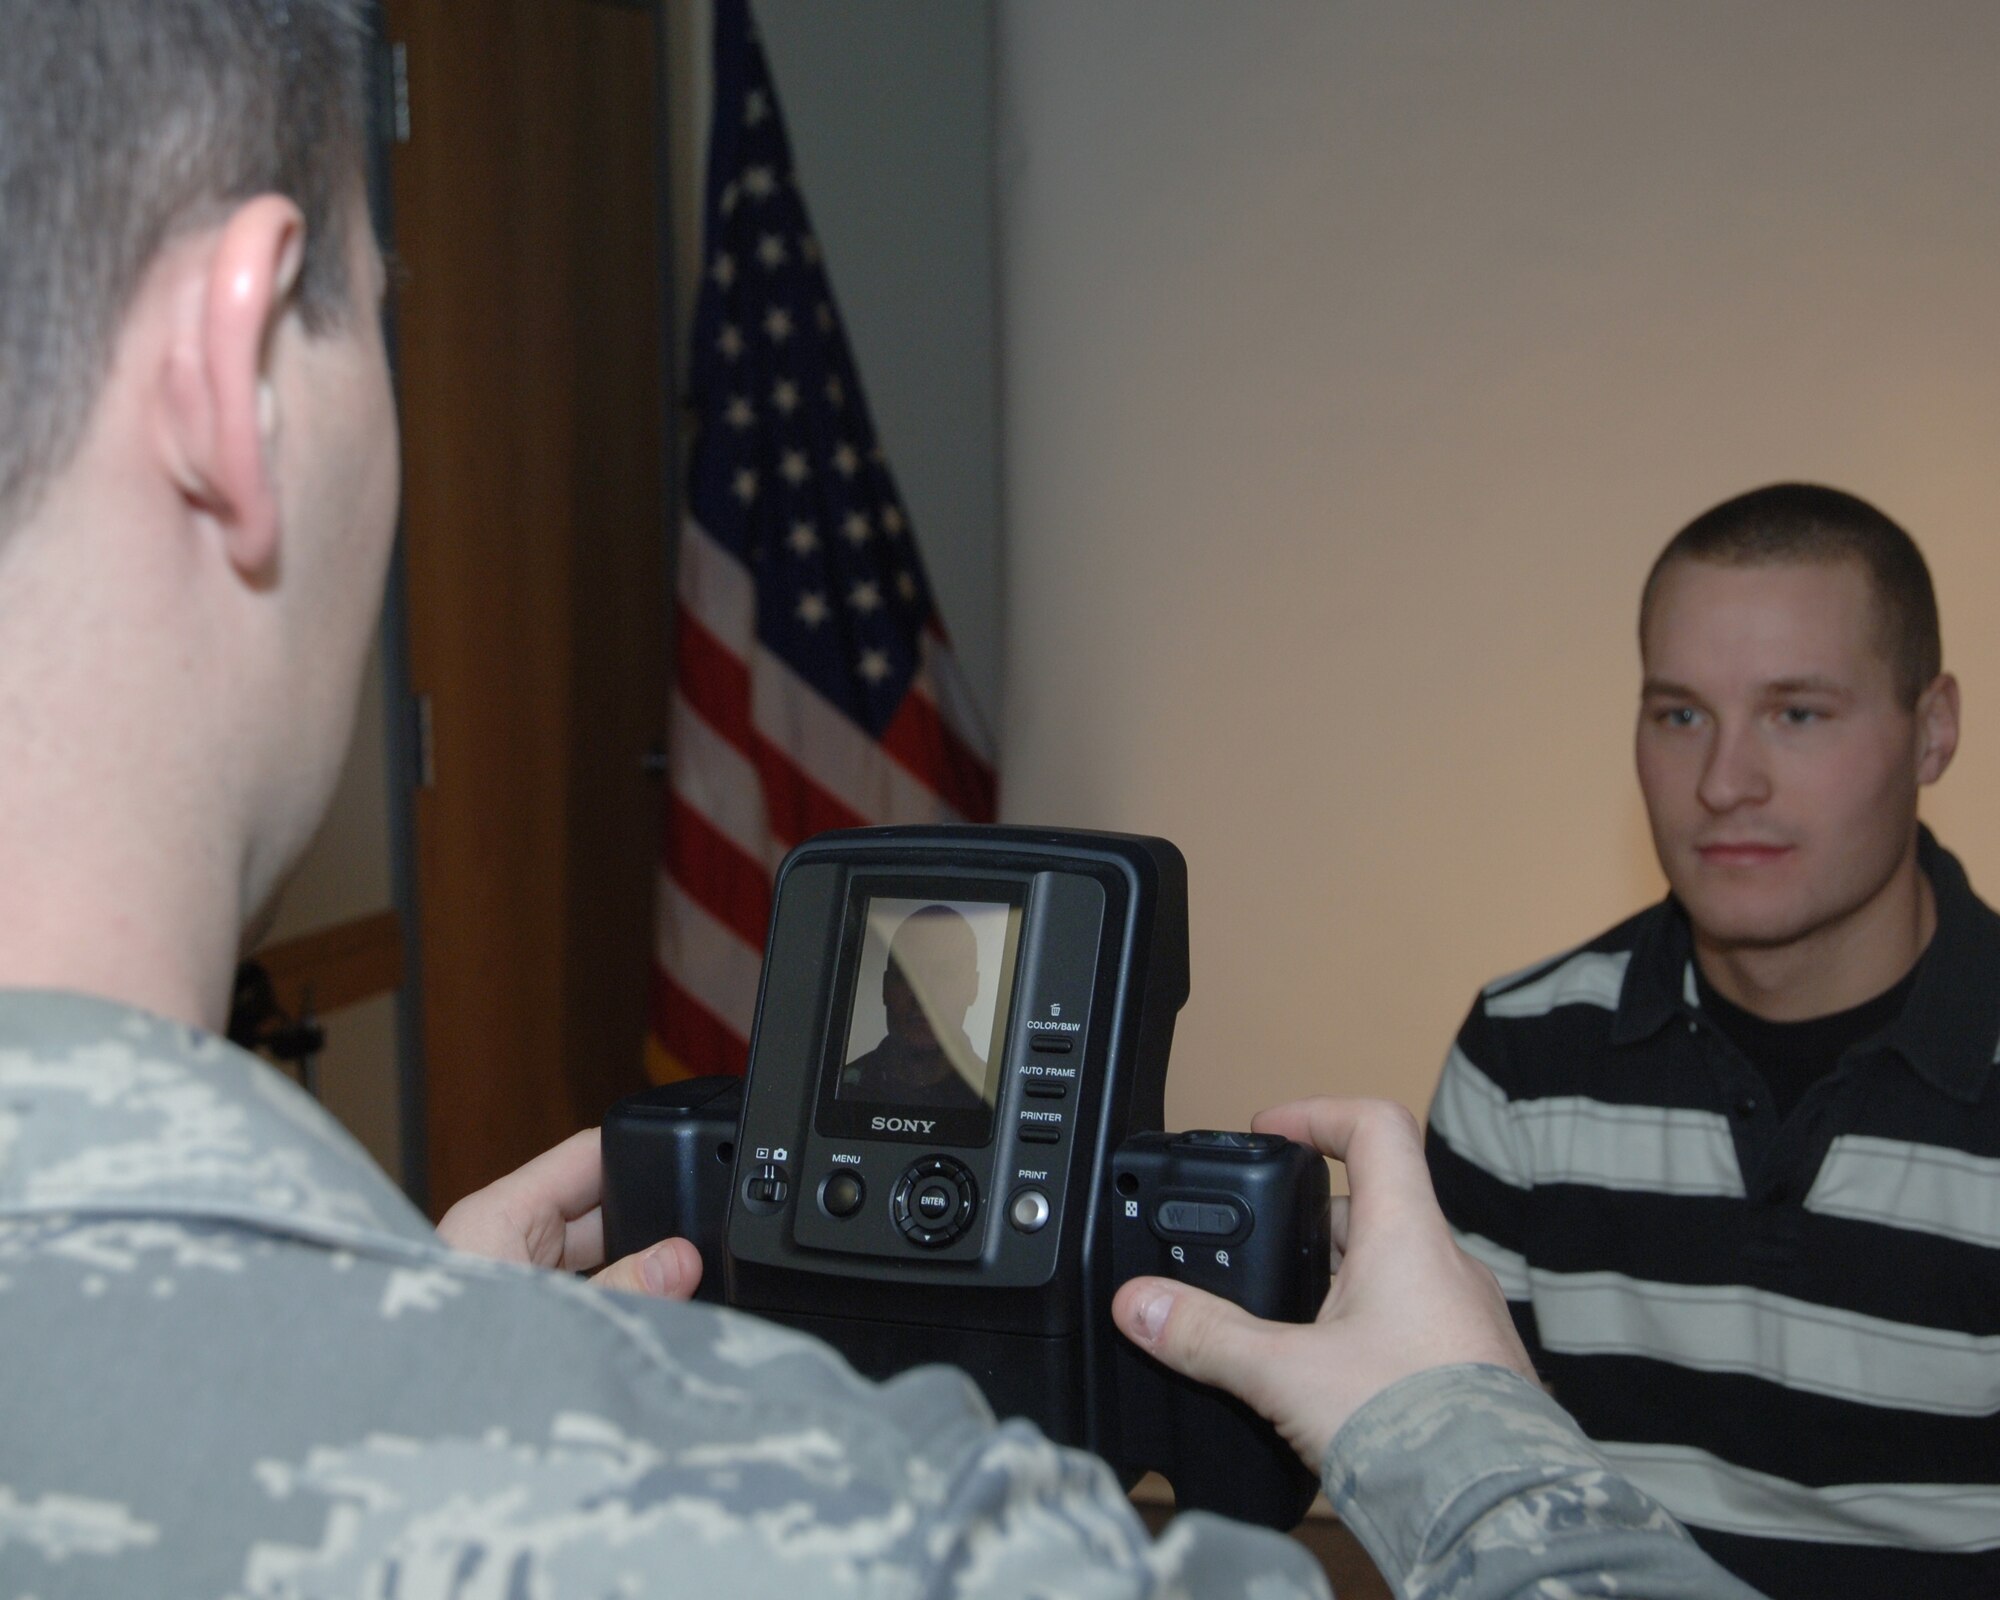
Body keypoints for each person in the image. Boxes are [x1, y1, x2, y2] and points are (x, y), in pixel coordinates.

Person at [0, 3, 1755, 1594]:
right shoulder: (863, 1543)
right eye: (380, 315)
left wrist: (422, 1353)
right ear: (232, 379)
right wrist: (1458, 1434)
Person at [1426, 483, 2000, 1600]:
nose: (1723, 783)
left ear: (1932, 729)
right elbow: (1475, 1499)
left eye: (1797, 713)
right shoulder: (1522, 1059)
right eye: (1680, 715)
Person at [841, 903, 990, 1108]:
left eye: (944, 974)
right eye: (907, 974)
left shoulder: (999, 1094)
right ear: (885, 987)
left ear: (973, 987)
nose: (922, 997)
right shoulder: (842, 1087)